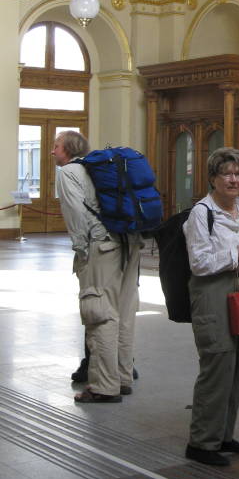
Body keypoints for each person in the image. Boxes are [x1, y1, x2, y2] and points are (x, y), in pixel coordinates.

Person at [184, 147, 239, 467]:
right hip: (212, 296)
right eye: (226, 174)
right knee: (217, 366)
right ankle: (202, 442)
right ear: (213, 179)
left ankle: (224, 434)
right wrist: (237, 257)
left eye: (238, 173)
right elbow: (200, 262)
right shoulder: (201, 214)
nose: (233, 179)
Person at [52, 130, 142, 403]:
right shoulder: (99, 168)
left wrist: (83, 252)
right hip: (130, 243)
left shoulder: (68, 173)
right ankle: (123, 378)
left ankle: (104, 386)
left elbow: (76, 215)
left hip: (102, 246)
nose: (53, 151)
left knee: (100, 313)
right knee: (124, 313)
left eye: (56, 146)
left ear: (67, 149)